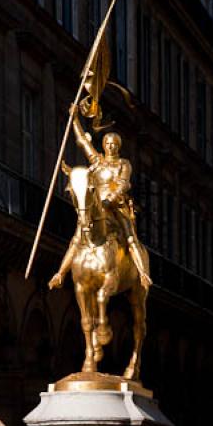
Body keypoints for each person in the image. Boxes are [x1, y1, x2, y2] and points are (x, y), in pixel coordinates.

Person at [48, 105, 152, 290]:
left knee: (130, 237)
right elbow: (82, 142)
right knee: (76, 237)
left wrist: (111, 197)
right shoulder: (98, 162)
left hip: (115, 205)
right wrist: (75, 119)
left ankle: (143, 273)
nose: (110, 146)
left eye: (114, 144)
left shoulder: (123, 164)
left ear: (118, 146)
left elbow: (124, 183)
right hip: (96, 203)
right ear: (104, 145)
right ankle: (60, 273)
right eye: (107, 143)